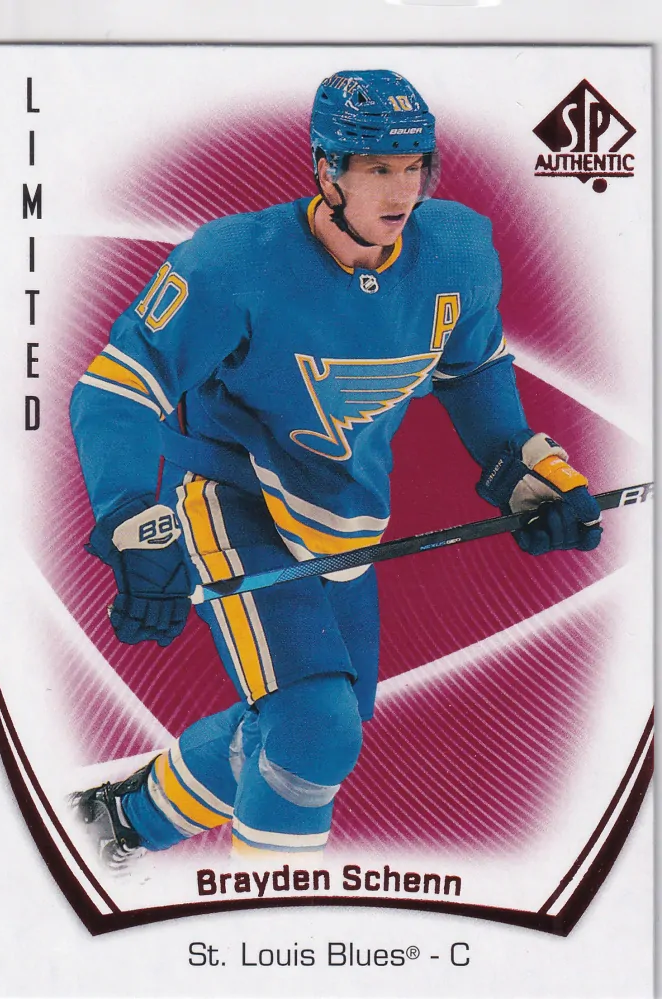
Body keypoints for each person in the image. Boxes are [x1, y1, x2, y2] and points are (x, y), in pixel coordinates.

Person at [69, 70, 602, 868]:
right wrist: (128, 516)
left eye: (414, 165)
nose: (403, 189)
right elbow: (117, 386)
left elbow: (473, 372)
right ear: (327, 170)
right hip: (230, 493)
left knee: (309, 727)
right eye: (378, 167)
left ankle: (121, 820)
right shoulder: (232, 262)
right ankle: (272, 915)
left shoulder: (456, 250)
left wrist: (524, 467)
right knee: (314, 729)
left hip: (342, 518)